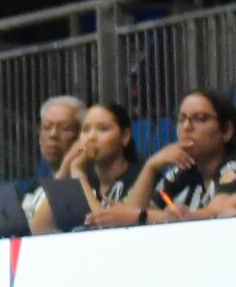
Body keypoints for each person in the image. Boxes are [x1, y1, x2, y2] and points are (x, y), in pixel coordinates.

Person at [114, 90, 236, 225]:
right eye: (182, 119)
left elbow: (219, 213)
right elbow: (128, 217)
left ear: (226, 131)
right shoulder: (182, 169)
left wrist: (143, 216)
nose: (186, 127)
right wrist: (151, 166)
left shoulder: (232, 167)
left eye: (200, 119)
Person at [29, 100, 139, 233]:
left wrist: (78, 173)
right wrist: (66, 166)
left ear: (125, 136)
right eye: (86, 130)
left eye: (103, 129)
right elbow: (38, 229)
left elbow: (105, 231)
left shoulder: (139, 179)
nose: (91, 137)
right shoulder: (86, 180)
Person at [33, 96, 86, 179]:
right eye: (47, 127)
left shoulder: (95, 178)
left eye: (65, 128)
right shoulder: (38, 172)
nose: (53, 134)